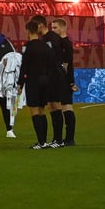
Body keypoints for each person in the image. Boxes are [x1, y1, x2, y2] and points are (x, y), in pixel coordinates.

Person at [17, 20, 57, 149]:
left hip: (33, 80)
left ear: (28, 31)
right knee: (42, 110)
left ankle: (40, 142)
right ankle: (44, 141)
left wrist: (20, 83)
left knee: (34, 110)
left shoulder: (28, 46)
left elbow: (24, 66)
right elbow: (52, 64)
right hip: (45, 80)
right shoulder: (46, 46)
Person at [34, 15, 67, 147]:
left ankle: (58, 140)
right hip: (48, 77)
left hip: (55, 76)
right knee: (52, 107)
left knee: (56, 106)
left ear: (40, 25)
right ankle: (56, 139)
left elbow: (57, 58)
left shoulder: (52, 38)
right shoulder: (45, 39)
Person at [50, 18, 79, 146]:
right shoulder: (58, 43)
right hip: (60, 79)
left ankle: (69, 138)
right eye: (52, 28)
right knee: (63, 107)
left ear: (63, 28)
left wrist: (70, 82)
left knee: (66, 107)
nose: (53, 30)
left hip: (64, 80)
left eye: (55, 28)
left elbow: (67, 65)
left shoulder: (65, 44)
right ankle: (66, 139)